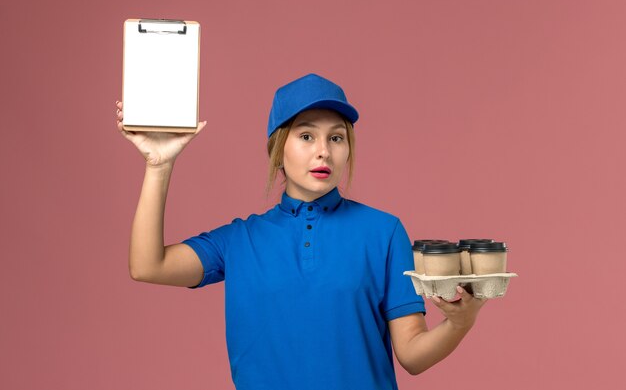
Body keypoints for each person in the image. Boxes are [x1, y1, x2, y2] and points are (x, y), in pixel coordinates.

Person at [116, 73, 486, 390]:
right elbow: (148, 265)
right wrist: (159, 165)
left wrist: (459, 323)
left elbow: (413, 356)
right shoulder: (239, 241)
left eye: (336, 138)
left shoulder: (383, 232)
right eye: (306, 136)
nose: (323, 151)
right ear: (279, 149)